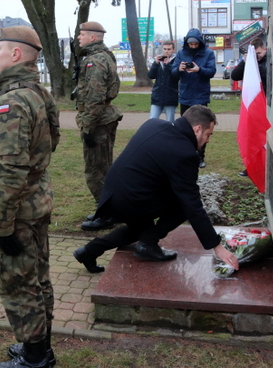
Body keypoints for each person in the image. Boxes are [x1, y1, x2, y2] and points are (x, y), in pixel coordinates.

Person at [73, 105, 239, 274]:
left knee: (140, 231)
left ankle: (88, 252)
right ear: (197, 129)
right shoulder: (185, 153)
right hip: (131, 199)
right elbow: (192, 204)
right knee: (183, 206)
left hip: (113, 193)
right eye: (208, 134)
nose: (208, 140)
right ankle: (148, 244)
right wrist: (217, 246)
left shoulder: (153, 124)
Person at [0, 26, 60, 368]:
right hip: (37, 201)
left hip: (19, 211)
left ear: (15, 55)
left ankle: (34, 358)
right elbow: (52, 141)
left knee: (20, 284)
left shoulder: (12, 101)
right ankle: (40, 347)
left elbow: (11, 169)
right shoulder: (37, 92)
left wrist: (2, 224)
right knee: (38, 278)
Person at [74, 21, 123, 232]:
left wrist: (87, 126)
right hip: (105, 118)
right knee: (104, 167)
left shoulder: (95, 61)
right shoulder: (105, 56)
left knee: (96, 170)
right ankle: (107, 209)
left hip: (98, 121)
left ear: (93, 37)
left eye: (82, 35)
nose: (79, 38)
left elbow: (95, 96)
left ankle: (107, 215)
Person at [171, 29, 216, 168]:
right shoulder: (180, 53)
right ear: (187, 43)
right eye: (191, 44)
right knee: (185, 128)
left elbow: (212, 71)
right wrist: (179, 69)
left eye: (196, 44)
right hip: (185, 97)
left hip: (200, 96)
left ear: (200, 43)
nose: (193, 46)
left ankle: (200, 157)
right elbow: (173, 73)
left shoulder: (208, 53)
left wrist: (199, 70)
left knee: (202, 128)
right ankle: (186, 155)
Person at [230, 37, 268, 177]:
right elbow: (235, 76)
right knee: (252, 137)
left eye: (259, 54)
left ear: (264, 49)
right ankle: (251, 166)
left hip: (265, 104)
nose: (257, 57)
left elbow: (264, 75)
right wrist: (245, 63)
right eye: (255, 54)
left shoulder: (267, 60)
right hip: (254, 105)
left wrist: (253, 64)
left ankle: (263, 166)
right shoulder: (250, 61)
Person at [148, 41, 179, 121]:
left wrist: (168, 65)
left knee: (170, 121)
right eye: (165, 49)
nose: (166, 51)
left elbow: (176, 76)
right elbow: (151, 75)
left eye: (169, 49)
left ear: (173, 50)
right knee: (152, 120)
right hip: (157, 96)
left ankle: (169, 134)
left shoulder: (176, 61)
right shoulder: (158, 60)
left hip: (171, 96)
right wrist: (156, 63)